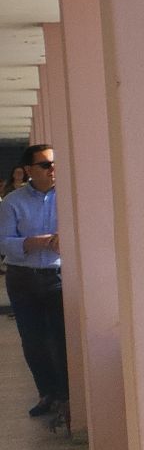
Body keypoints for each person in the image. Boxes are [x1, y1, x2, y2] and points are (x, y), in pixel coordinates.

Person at [1, 144, 67, 420]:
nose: (52, 169)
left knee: (61, 337)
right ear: (28, 170)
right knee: (33, 339)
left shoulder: (67, 197)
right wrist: (37, 242)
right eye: (45, 165)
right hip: (23, 277)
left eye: (54, 164)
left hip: (57, 276)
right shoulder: (13, 202)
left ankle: (66, 394)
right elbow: (4, 242)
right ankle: (47, 392)